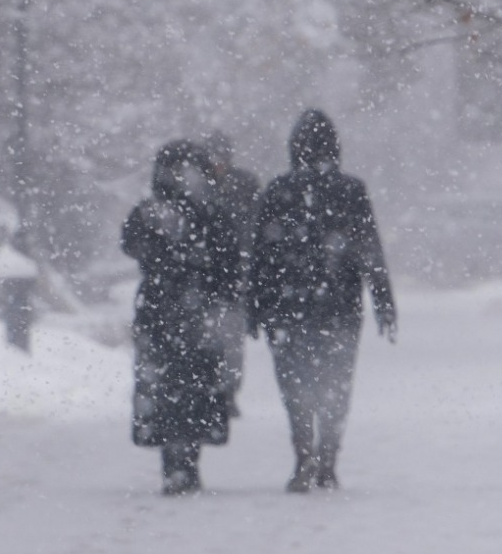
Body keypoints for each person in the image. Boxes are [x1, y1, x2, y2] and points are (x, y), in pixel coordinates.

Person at [247, 109, 397, 493]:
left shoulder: (278, 191)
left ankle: (303, 456)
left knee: (295, 385)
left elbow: (261, 256)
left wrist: (255, 307)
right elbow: (369, 251)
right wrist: (383, 302)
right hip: (339, 307)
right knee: (336, 384)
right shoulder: (351, 190)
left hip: (288, 308)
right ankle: (328, 459)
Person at [121, 140, 241, 495]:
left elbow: (130, 244)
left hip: (160, 310)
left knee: (165, 386)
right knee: (196, 385)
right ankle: (187, 458)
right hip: (199, 313)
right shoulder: (212, 213)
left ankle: (173, 461)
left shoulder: (151, 212)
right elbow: (229, 262)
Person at [201, 130, 261, 419]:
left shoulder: (244, 185)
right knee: (209, 339)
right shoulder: (199, 189)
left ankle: (227, 391)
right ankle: (212, 389)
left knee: (232, 341)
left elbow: (256, 227)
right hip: (208, 280)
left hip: (233, 277)